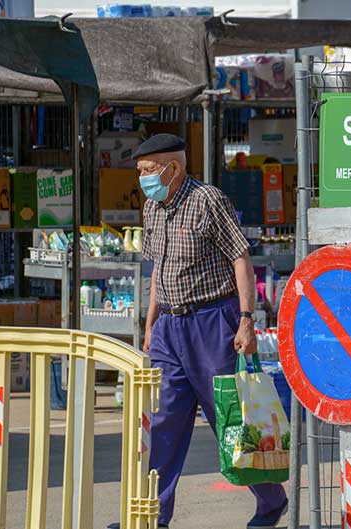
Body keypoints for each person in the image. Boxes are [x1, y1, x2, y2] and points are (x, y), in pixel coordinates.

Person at [115, 134, 288, 529]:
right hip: (169, 328)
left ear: (171, 168)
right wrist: (151, 321)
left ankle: (271, 500)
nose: (142, 179)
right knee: (162, 421)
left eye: (146, 171)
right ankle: (152, 516)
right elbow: (159, 267)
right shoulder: (153, 208)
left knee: (230, 419)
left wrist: (247, 318)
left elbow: (240, 258)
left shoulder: (208, 200)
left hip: (213, 323)